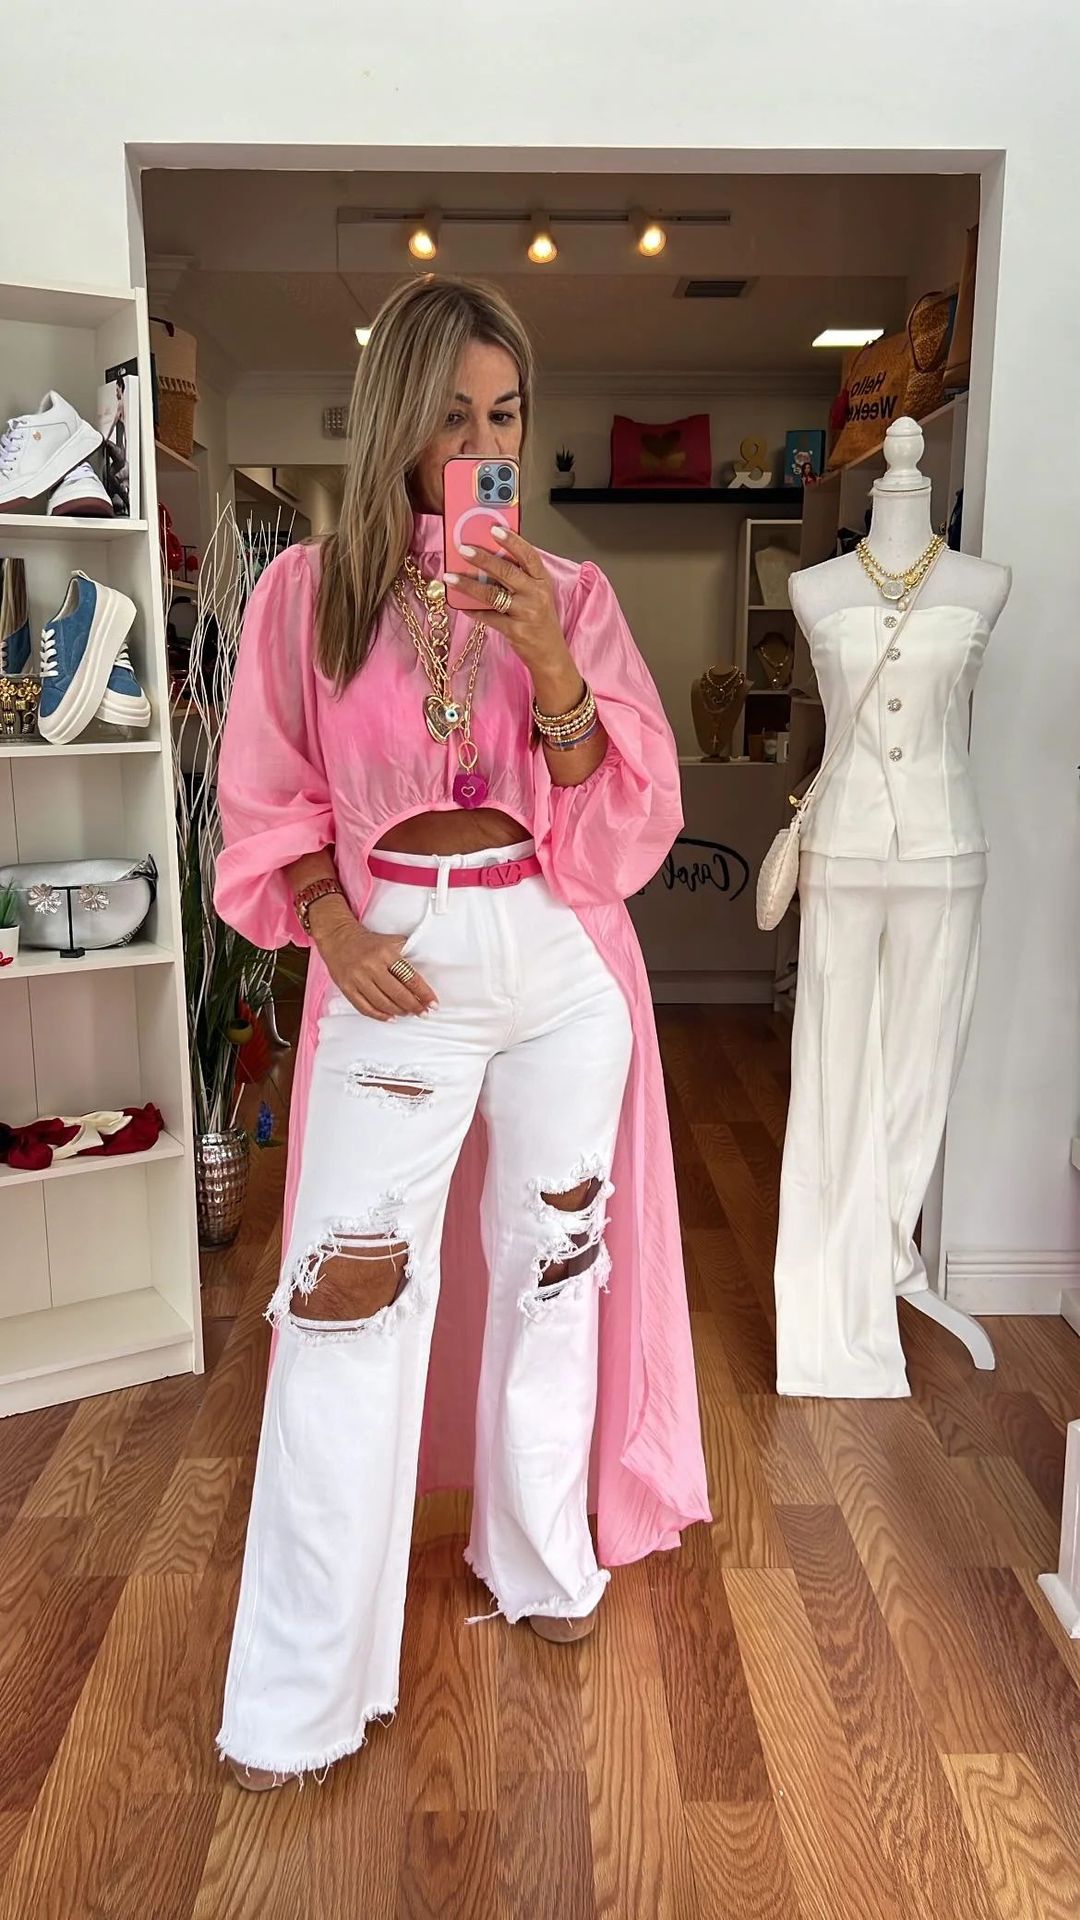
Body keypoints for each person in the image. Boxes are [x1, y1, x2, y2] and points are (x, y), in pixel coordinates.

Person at [213, 275, 710, 1791]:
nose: (483, 448)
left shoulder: (572, 594)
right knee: (344, 1300)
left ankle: (541, 1553)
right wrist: (336, 927)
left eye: (505, 418)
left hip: (557, 954)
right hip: (398, 958)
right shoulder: (309, 593)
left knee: (556, 1269)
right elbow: (273, 796)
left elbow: (621, 826)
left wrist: (552, 663)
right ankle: (300, 1691)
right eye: (453, 417)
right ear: (395, 423)